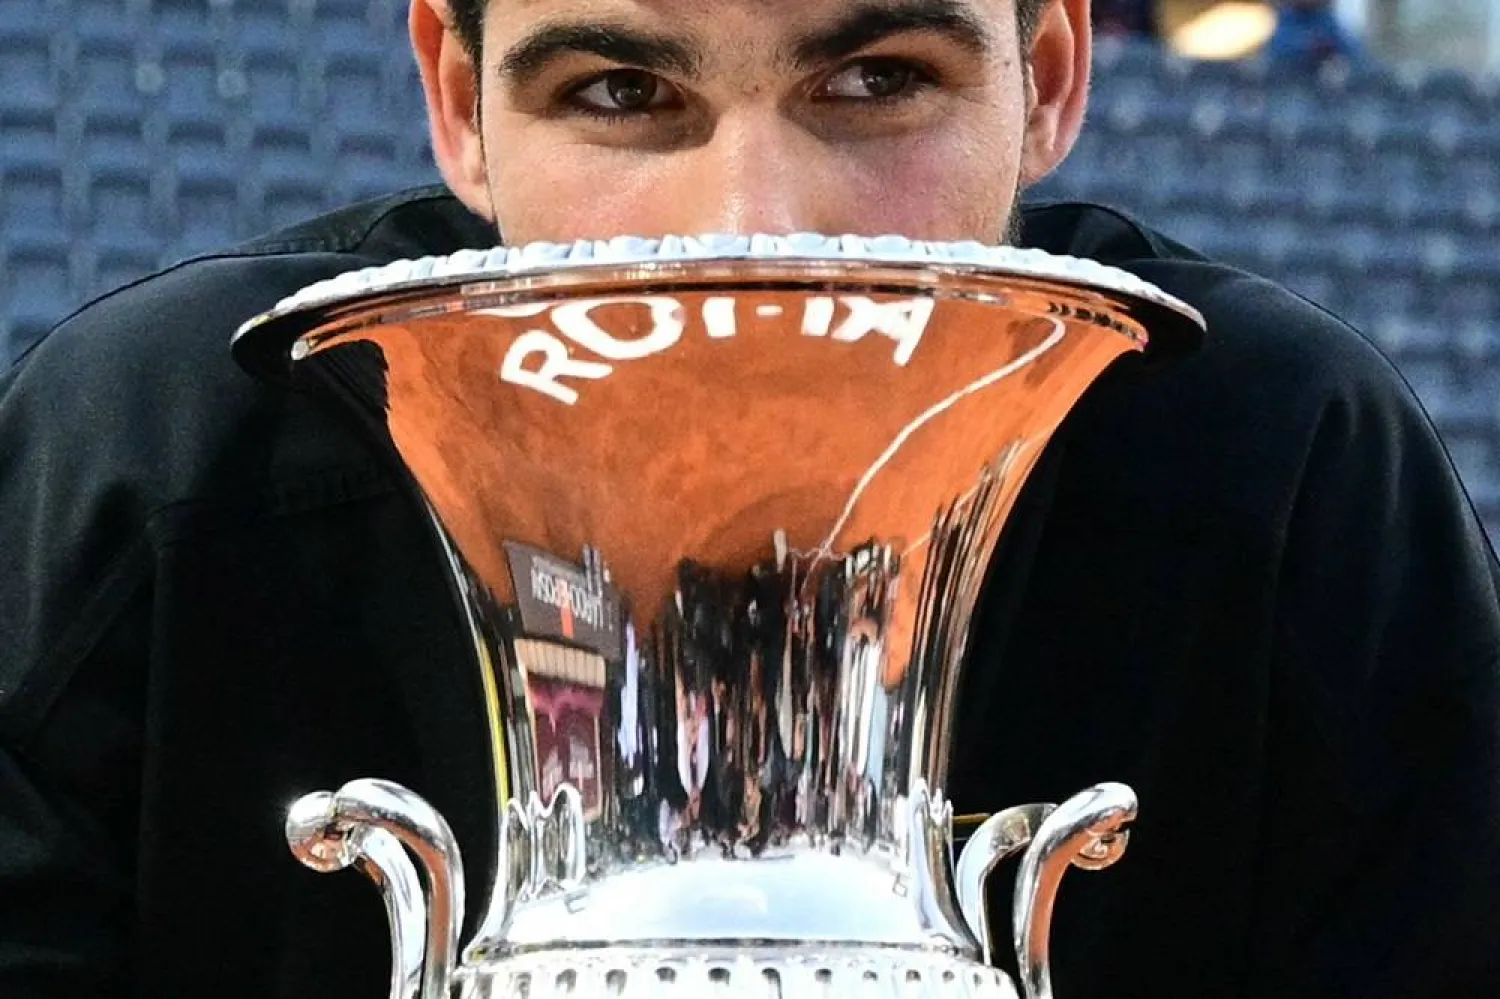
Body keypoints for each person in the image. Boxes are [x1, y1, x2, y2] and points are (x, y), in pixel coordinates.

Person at [1, 0, 1497, 996]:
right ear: (460, 107)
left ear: (1045, 80)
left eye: (874, 80)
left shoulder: (1287, 464)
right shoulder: (153, 459)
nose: (752, 227)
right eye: (620, 93)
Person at [1267, 0, 1365, 72]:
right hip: (1288, 86)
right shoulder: (1282, 19)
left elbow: (1351, 48)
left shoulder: (1326, 19)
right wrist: (1308, 46)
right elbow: (1279, 48)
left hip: (1322, 90)